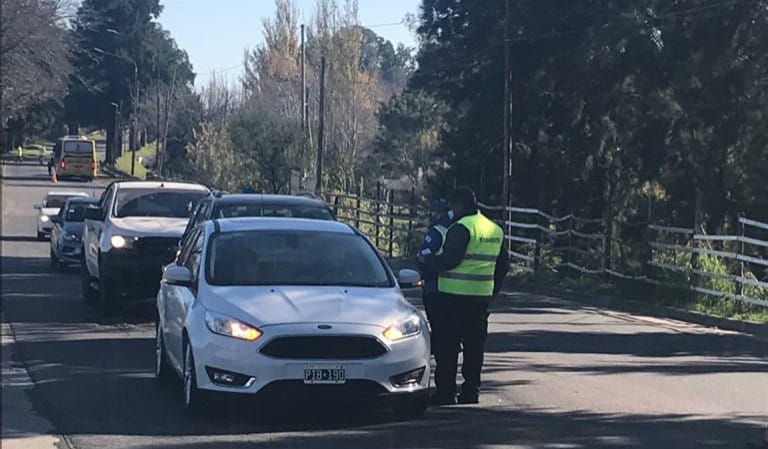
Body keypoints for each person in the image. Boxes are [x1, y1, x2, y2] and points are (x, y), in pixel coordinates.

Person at [424, 186, 509, 405]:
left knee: (447, 347)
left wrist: (431, 261)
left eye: (452, 206)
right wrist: (493, 290)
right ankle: (471, 391)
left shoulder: (460, 228)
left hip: (452, 297)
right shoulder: (494, 229)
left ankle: (446, 392)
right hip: (480, 300)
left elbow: (450, 259)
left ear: (459, 205)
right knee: (474, 348)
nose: (451, 210)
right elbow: (503, 266)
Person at [416, 198, 453, 346]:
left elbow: (423, 256)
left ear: (439, 213)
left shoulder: (436, 231)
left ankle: (440, 346)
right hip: (452, 285)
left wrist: (419, 261)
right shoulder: (455, 228)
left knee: (436, 323)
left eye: (434, 211)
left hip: (434, 283)